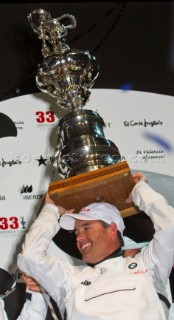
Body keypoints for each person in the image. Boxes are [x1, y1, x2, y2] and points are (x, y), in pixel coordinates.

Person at [17, 172, 174, 319]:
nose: (79, 237)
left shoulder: (147, 264)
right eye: (76, 231)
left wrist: (139, 190)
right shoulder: (70, 278)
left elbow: (170, 226)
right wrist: (51, 211)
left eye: (86, 228)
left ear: (112, 229)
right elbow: (30, 256)